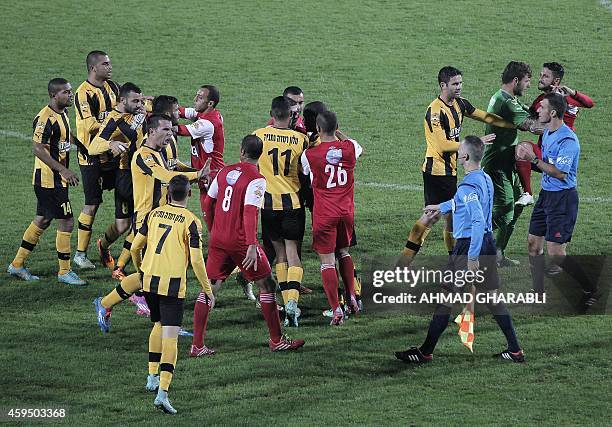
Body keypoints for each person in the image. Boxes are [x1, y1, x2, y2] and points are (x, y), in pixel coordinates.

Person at [395, 136, 525, 364]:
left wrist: (472, 257)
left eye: (459, 152)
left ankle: (425, 352)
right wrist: (442, 206)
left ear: (463, 157)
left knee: (446, 299)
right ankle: (515, 349)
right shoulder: (483, 178)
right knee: (494, 299)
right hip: (487, 243)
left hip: (469, 247)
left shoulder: (467, 186)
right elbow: (464, 203)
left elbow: (475, 218)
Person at [93, 115, 207, 330]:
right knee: (150, 275)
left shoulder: (159, 151)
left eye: (171, 130)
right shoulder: (143, 156)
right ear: (152, 131)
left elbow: (173, 167)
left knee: (152, 274)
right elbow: (165, 175)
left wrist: (195, 173)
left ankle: (112, 305)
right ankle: (159, 322)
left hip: (161, 219)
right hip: (147, 221)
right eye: (165, 129)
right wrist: (198, 174)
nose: (170, 133)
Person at [193, 135, 305, 354]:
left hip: (218, 239)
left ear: (242, 151)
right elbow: (251, 211)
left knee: (209, 288)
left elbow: (208, 201)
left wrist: (213, 229)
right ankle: (276, 340)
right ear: (259, 155)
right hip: (242, 243)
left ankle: (197, 345)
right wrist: (252, 245)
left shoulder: (224, 171)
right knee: (268, 286)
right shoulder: (257, 178)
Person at [399, 66, 514, 267]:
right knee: (432, 216)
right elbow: (442, 145)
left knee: (449, 218)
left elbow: (485, 116)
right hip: (436, 172)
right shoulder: (435, 112)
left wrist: (514, 124)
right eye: (455, 84)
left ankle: (451, 261)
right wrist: (475, 141)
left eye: (460, 83)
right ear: (443, 85)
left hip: (450, 170)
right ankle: (405, 262)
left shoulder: (460, 104)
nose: (459, 87)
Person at [136, 175, 215, 414]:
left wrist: (141, 268)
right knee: (171, 337)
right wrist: (207, 289)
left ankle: (151, 376)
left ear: (168, 193)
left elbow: (134, 246)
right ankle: (163, 393)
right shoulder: (191, 222)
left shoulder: (153, 214)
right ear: (189, 194)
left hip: (149, 281)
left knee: (158, 324)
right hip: (171, 285)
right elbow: (197, 260)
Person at [516, 93, 600, 311]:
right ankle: (537, 293)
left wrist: (532, 160)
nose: (538, 111)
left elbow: (560, 173)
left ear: (552, 113)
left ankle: (591, 289)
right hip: (546, 195)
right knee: (533, 245)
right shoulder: (548, 133)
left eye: (542, 108)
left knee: (556, 254)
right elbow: (547, 163)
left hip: (563, 199)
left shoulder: (567, 140)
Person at [8, 78, 86, 285]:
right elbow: (37, 148)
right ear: (54, 95)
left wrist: (81, 146)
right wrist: (63, 170)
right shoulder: (44, 119)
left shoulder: (63, 113)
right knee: (67, 221)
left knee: (42, 219)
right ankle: (64, 271)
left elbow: (64, 135)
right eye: (66, 92)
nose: (70, 95)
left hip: (53, 180)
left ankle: (17, 264)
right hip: (50, 181)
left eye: (70, 92)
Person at [301, 111, 363, 325]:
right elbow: (354, 145)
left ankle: (336, 309)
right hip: (346, 213)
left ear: (318, 130)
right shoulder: (350, 147)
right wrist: (339, 133)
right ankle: (352, 296)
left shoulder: (310, 154)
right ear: (337, 127)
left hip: (324, 214)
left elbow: (306, 173)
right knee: (344, 252)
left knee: (327, 261)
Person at [252, 97, 310, 327]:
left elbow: (252, 166)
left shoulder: (258, 135)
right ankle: (292, 305)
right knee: (293, 253)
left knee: (280, 256)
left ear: (271, 113)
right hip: (292, 204)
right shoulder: (301, 139)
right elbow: (306, 173)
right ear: (292, 115)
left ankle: (287, 305)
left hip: (267, 205)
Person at [481, 61, 543, 267]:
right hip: (497, 165)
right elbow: (532, 126)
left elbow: (532, 114)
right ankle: (471, 237)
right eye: (526, 81)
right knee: (506, 210)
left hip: (508, 163)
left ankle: (498, 253)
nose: (528, 85)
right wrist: (560, 128)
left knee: (518, 203)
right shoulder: (506, 102)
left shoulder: (507, 98)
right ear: (516, 80)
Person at [515, 62, 594, 206]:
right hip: (544, 152)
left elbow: (590, 103)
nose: (540, 78)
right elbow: (529, 120)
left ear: (556, 81)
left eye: (545, 76)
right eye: (541, 75)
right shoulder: (540, 100)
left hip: (559, 154)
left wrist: (571, 91)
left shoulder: (566, 98)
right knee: (518, 150)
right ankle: (524, 193)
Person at [88, 82, 146, 278]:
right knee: (122, 226)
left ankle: (122, 266)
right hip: (126, 176)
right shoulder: (114, 119)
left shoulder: (140, 108)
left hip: (145, 173)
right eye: (136, 101)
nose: (140, 105)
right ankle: (103, 245)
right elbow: (93, 147)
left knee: (141, 221)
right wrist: (110, 143)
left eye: (141, 100)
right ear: (122, 100)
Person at [72, 50, 121, 269]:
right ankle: (80, 254)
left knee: (128, 199)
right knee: (92, 204)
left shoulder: (113, 87)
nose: (110, 67)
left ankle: (107, 244)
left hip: (114, 154)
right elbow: (90, 125)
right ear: (94, 68)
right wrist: (116, 118)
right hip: (91, 156)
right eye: (106, 64)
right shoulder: (83, 94)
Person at [175, 85, 225, 211]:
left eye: (200, 97)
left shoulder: (208, 123)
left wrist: (156, 118)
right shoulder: (209, 114)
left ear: (210, 103)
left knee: (213, 218)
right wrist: (157, 105)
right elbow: (181, 111)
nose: (195, 99)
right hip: (208, 173)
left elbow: (179, 130)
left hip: (211, 175)